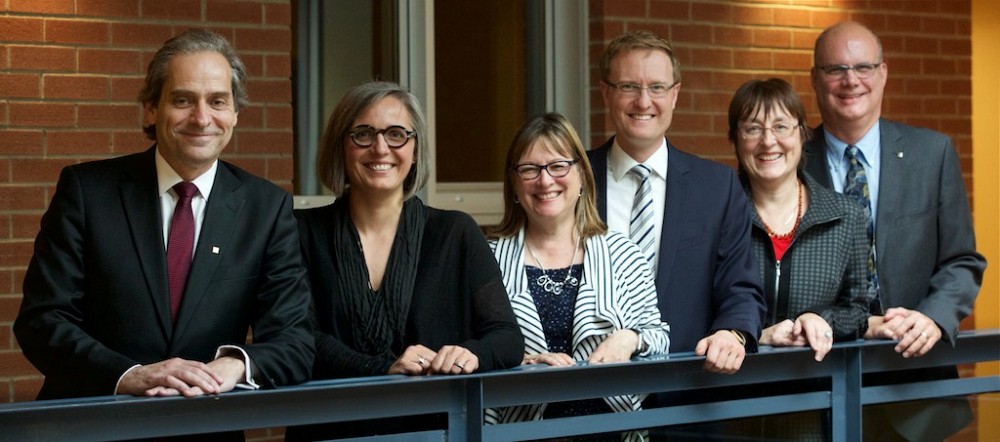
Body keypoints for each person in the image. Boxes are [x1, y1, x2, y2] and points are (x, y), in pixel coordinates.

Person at [13, 29, 315, 404]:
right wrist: (130, 375)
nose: (202, 118)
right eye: (183, 100)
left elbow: (296, 341)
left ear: (235, 113)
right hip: (96, 424)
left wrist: (233, 366)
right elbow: (42, 322)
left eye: (218, 101)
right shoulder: (87, 193)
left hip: (204, 426)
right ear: (152, 108)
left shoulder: (266, 208)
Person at [288, 81, 524, 439]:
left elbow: (506, 337)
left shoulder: (455, 233)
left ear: (415, 149)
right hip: (329, 432)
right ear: (341, 145)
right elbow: (298, 337)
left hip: (436, 432)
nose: (380, 148)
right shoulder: (301, 232)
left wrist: (467, 355)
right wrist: (383, 368)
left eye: (396, 134)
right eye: (363, 134)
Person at [804, 21, 986, 441]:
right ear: (815, 79)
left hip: (915, 390)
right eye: (835, 69)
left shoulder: (932, 153)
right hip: (817, 388)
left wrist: (935, 318)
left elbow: (962, 260)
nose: (851, 80)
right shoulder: (788, 162)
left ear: (883, 73)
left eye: (863, 66)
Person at [588, 30, 766, 374]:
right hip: (590, 389)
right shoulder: (573, 179)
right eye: (629, 87)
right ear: (606, 92)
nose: (643, 102)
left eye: (657, 87)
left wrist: (732, 333)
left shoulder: (717, 187)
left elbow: (740, 286)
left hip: (688, 388)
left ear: (675, 95)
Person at [486, 113, 669, 437]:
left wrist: (630, 338)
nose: (545, 181)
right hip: (519, 434)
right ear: (513, 183)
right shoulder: (488, 259)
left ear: (582, 175)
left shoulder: (623, 254)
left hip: (612, 433)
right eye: (530, 169)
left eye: (558, 166)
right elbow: (471, 348)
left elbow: (660, 336)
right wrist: (516, 364)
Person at [726, 78, 875, 439]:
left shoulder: (847, 216)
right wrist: (755, 337)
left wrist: (817, 320)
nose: (768, 141)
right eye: (752, 128)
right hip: (726, 410)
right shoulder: (716, 215)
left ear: (802, 134)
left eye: (781, 126)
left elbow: (860, 308)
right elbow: (691, 309)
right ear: (735, 139)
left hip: (815, 410)